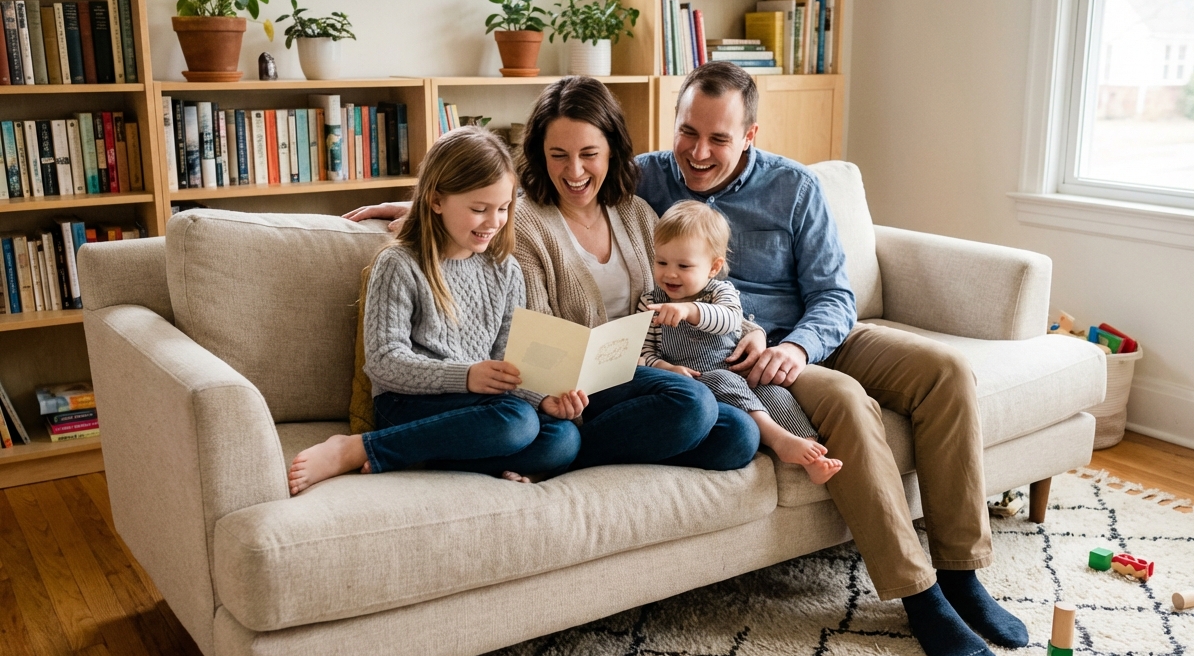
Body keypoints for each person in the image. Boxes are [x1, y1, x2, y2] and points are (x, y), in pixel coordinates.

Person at [635, 61, 1029, 656]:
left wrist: (800, 346)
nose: (699, 151)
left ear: (751, 136)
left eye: (719, 138)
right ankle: (918, 594)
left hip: (810, 339)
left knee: (946, 370)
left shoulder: (793, 188)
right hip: (740, 358)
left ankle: (961, 573)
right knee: (846, 400)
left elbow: (835, 297)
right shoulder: (646, 181)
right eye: (688, 132)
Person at [289, 127, 583, 494]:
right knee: (516, 422)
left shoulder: (506, 271)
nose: (494, 222)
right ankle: (359, 448)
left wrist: (544, 398)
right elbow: (384, 362)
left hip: (478, 406)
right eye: (479, 209)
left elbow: (507, 368)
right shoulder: (400, 263)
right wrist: (465, 376)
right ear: (436, 200)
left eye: (504, 208)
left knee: (564, 438)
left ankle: (427, 454)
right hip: (407, 402)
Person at [511, 76, 760, 471]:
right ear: (540, 155)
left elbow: (687, 291)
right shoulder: (524, 226)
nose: (574, 171)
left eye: (589, 153)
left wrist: (751, 332)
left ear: (612, 151)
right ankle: (558, 457)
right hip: (579, 387)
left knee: (739, 436)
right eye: (558, 155)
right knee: (693, 404)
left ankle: (589, 448)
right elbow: (533, 338)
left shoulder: (637, 213)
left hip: (644, 375)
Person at [637, 201, 842, 485]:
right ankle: (780, 441)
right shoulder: (650, 303)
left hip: (739, 371)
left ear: (713, 267)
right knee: (724, 381)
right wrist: (665, 367)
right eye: (661, 263)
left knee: (776, 393)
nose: (670, 274)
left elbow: (730, 321)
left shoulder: (720, 292)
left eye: (684, 266)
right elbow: (642, 352)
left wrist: (689, 310)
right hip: (701, 381)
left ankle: (810, 454)